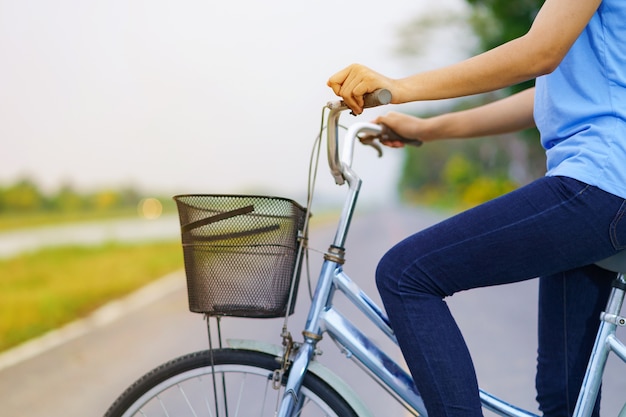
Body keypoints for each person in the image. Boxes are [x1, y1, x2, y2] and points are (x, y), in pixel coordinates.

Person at [327, 0, 626, 416]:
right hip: (604, 190)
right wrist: (426, 127)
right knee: (564, 397)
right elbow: (545, 93)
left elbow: (539, 52)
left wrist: (399, 86)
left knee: (406, 274)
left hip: (602, 183)